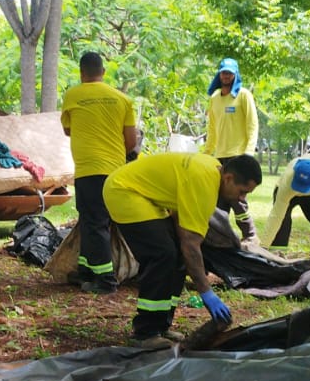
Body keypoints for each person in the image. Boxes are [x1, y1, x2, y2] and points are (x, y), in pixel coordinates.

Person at [104, 152, 262, 348]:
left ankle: (161, 324)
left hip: (147, 197)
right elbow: (191, 243)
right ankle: (146, 332)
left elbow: (184, 229)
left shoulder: (212, 171)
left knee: (177, 256)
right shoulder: (205, 181)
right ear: (228, 178)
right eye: (242, 191)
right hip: (124, 191)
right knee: (162, 255)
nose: (241, 198)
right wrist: (206, 292)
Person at [60, 51, 139, 295]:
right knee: (90, 221)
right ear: (103, 72)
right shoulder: (122, 99)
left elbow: (68, 131)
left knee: (95, 222)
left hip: (88, 169)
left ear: (82, 73)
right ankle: (85, 271)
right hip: (115, 171)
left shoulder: (72, 95)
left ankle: (105, 279)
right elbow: (131, 142)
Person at [202, 57, 260, 241]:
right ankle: (222, 236)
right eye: (223, 73)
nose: (226, 76)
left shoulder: (243, 95)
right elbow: (212, 129)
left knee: (238, 198)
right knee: (219, 200)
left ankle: (250, 235)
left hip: (238, 156)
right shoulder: (214, 98)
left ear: (235, 75)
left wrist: (248, 154)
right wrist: (206, 153)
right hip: (219, 156)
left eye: (230, 73)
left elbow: (253, 125)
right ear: (219, 74)